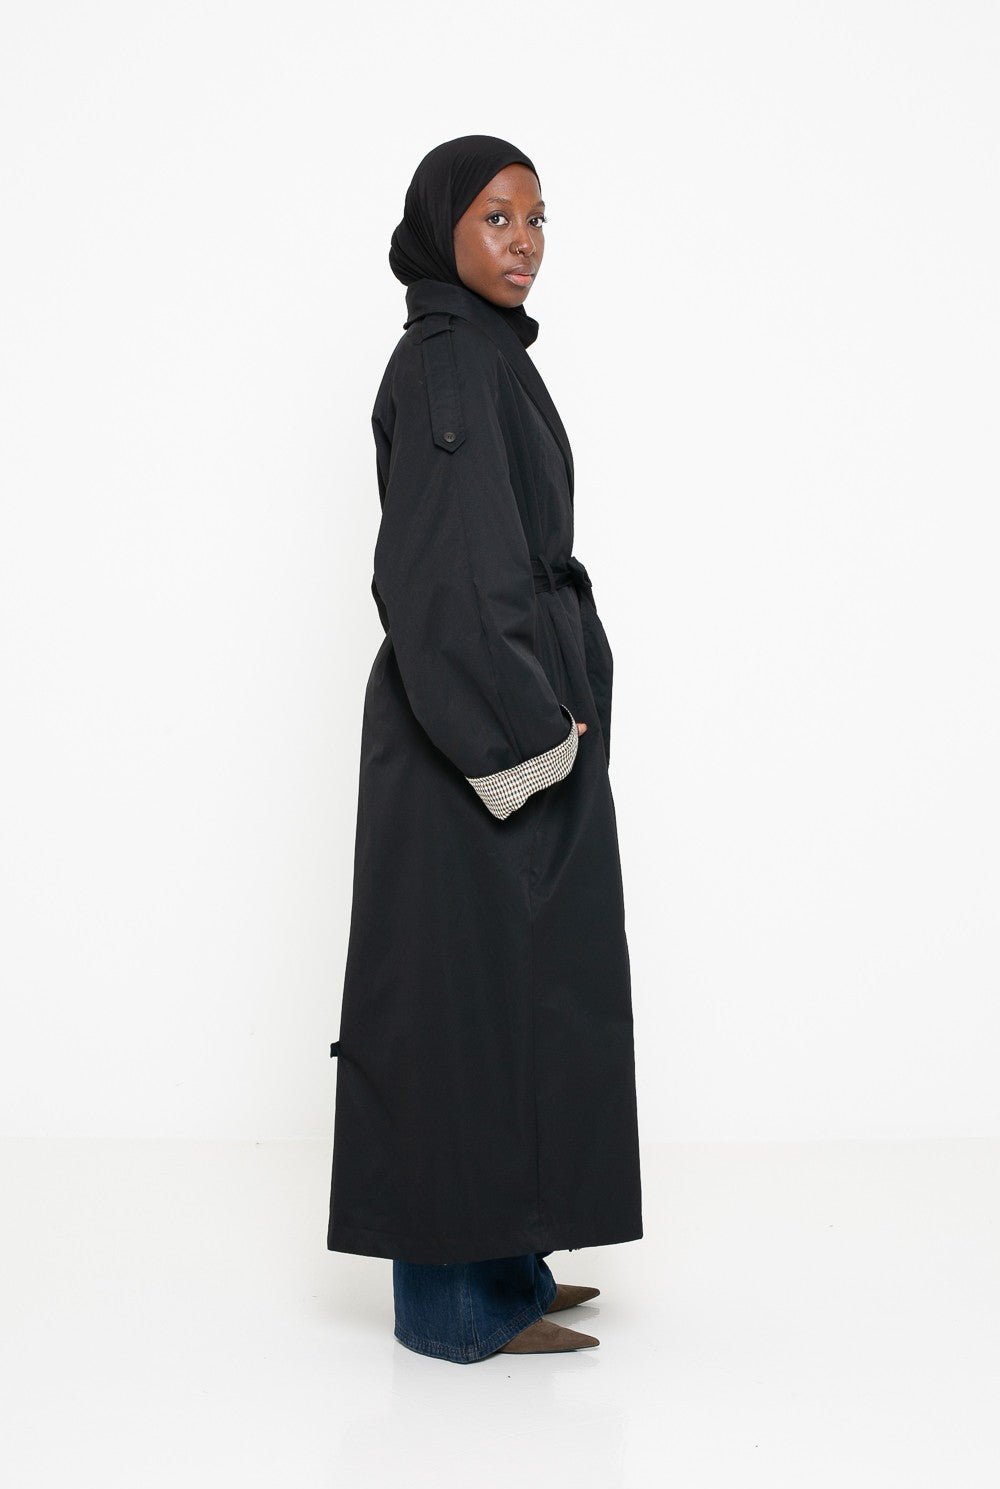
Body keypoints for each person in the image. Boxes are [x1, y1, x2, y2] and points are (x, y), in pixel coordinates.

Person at [326, 135, 643, 1363]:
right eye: (498, 216)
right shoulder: (452, 358)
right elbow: (447, 571)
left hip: (511, 703)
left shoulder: (484, 353)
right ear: (442, 226)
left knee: (521, 994)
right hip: (470, 728)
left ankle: (509, 1263)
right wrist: (526, 731)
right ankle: (455, 1308)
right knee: (461, 1001)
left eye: (538, 218)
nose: (524, 241)